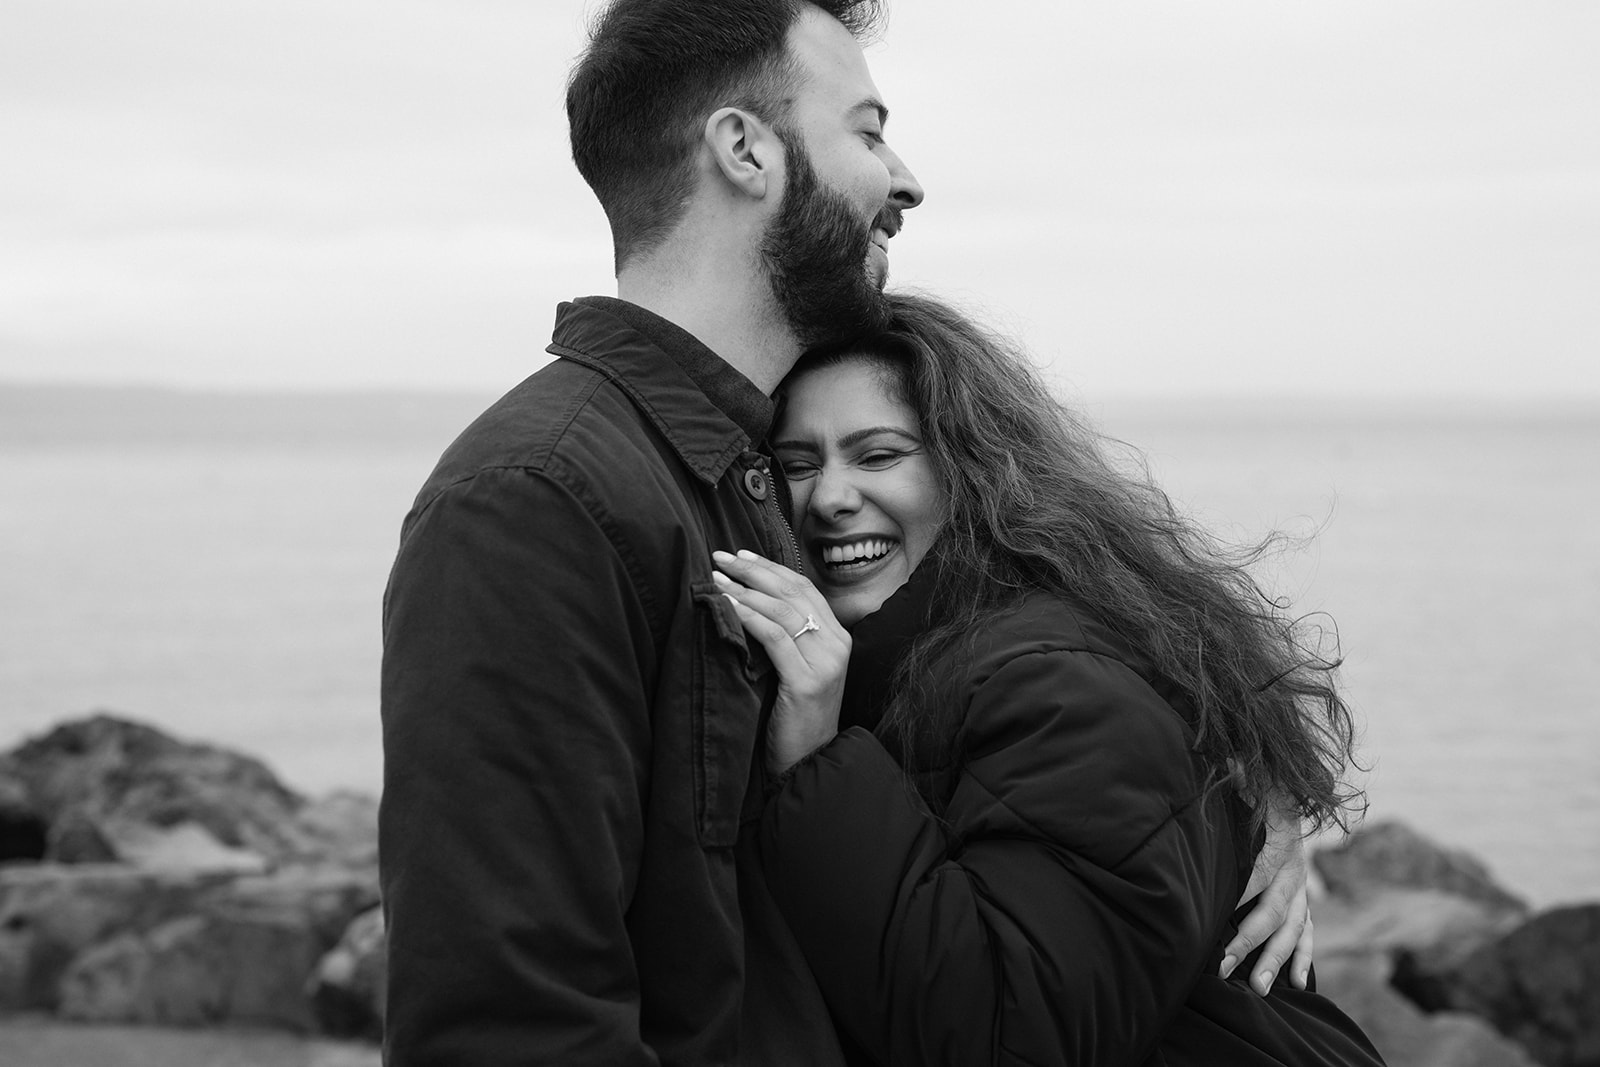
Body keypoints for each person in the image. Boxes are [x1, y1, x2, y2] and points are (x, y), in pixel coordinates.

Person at [378, 1, 923, 1063]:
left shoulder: (782, 473)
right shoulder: (534, 499)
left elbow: (1029, 654)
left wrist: (1236, 791)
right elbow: (509, 1025)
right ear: (743, 150)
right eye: (865, 130)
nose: (903, 179)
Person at [713, 292, 1386, 1065]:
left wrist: (814, 766)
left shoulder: (1054, 682)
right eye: (798, 464)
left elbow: (1021, 1036)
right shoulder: (914, 658)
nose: (828, 498)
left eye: (879, 455)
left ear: (971, 468)